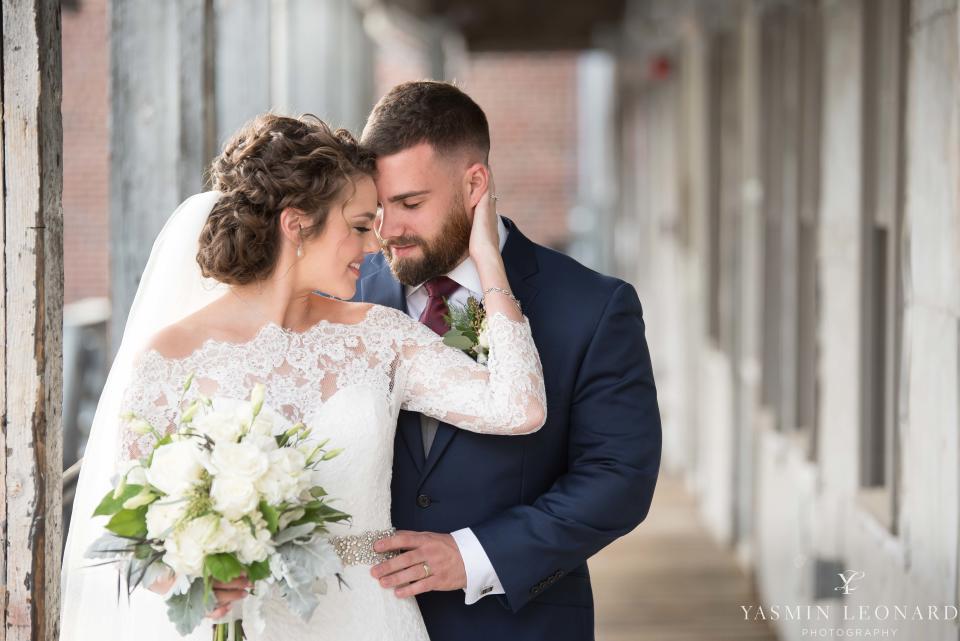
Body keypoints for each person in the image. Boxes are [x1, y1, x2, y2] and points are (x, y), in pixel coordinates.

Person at [59, 113, 546, 641]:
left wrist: (487, 259)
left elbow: (519, 408)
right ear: (296, 224)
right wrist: (192, 579)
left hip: (369, 616)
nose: (373, 246)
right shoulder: (170, 354)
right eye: (360, 226)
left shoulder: (378, 337)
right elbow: (125, 533)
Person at [355, 81, 662, 641]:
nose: (387, 230)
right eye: (378, 207)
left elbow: (619, 478)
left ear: (475, 184)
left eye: (410, 204)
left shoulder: (592, 307)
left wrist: (472, 556)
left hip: (520, 624)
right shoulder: (340, 297)